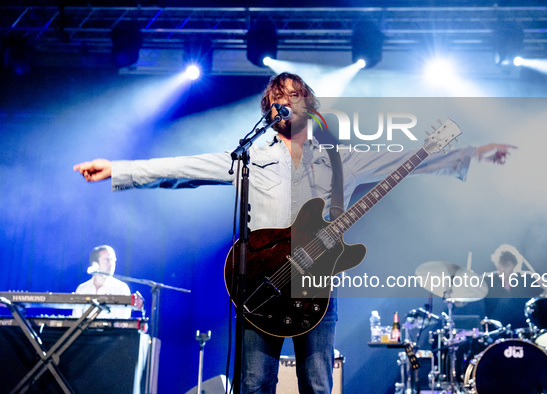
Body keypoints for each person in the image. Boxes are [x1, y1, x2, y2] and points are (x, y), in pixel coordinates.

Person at [73, 72, 515, 393]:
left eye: (295, 94)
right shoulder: (249, 155)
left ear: (309, 103)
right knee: (254, 382)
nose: (285, 101)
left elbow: (404, 158)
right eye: (278, 96)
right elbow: (185, 167)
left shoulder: (338, 158)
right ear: (269, 108)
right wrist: (120, 170)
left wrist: (471, 153)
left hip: (315, 286)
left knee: (318, 384)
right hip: (261, 281)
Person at [482, 243, 543, 329]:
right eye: (500, 265)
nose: (502, 269)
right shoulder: (488, 280)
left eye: (506, 265)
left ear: (514, 266)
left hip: (523, 330)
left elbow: (545, 297)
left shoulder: (527, 279)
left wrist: (545, 286)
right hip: (496, 332)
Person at [72, 245, 132, 319]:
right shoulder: (82, 288)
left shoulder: (121, 288)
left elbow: (123, 321)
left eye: (113, 260)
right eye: (107, 260)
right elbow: (75, 318)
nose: (111, 264)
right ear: (95, 264)